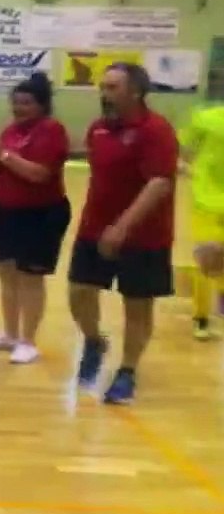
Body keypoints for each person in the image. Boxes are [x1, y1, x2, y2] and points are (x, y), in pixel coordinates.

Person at [68, 63, 177, 405]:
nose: (105, 94)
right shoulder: (98, 129)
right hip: (94, 229)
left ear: (136, 92)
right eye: (103, 87)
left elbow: (159, 183)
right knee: (80, 292)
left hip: (145, 236)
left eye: (113, 87)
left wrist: (122, 227)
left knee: (138, 306)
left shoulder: (155, 130)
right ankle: (93, 340)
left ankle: (127, 372)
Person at [0, 73, 71, 364]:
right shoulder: (9, 131)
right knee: (7, 272)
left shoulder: (52, 130)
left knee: (30, 277)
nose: (19, 108)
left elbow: (38, 173)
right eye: (16, 102)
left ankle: (28, 340)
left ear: (42, 105)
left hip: (41, 213)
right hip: (6, 211)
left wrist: (3, 154)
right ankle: (9, 333)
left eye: (27, 103)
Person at [178, 103, 224, 340]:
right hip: (207, 199)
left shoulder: (204, 118)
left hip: (205, 198)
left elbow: (184, 152)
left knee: (206, 257)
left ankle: (202, 317)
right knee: (212, 256)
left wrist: (187, 168)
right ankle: (205, 313)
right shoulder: (204, 119)